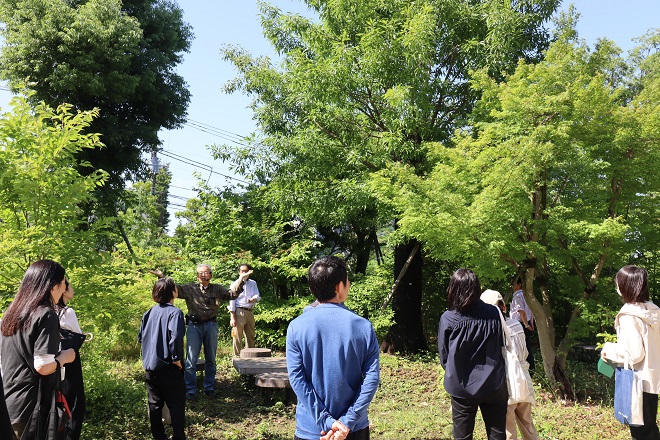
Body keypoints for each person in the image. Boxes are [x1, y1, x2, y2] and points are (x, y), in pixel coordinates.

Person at [286, 256, 380, 440]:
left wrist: (326, 420)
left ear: (312, 289)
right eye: (347, 281)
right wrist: (347, 422)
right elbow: (371, 378)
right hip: (353, 429)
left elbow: (297, 379)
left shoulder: (296, 327)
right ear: (339, 287)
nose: (350, 283)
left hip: (312, 429)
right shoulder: (362, 326)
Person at [1, 259, 76, 439]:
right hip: (32, 408)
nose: (64, 288)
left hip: (9, 402)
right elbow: (43, 366)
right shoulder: (46, 314)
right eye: (63, 283)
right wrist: (65, 357)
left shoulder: (10, 314)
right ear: (54, 286)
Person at [152, 264, 247, 400]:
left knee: (211, 359)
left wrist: (241, 279)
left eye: (206, 272)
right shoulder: (190, 288)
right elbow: (173, 289)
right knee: (191, 360)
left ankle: (209, 387)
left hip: (211, 325)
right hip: (194, 326)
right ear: (197, 276)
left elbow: (232, 295)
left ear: (211, 275)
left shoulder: (217, 288)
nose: (203, 275)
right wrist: (162, 277)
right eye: (201, 273)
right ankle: (190, 389)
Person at [439, 268, 507, 440]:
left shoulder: (448, 318)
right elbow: (501, 344)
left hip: (461, 387)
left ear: (453, 288)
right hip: (494, 384)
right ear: (477, 288)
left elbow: (444, 356)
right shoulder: (493, 313)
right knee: (497, 435)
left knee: (462, 436)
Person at [601, 265, 660, 439]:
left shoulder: (628, 316)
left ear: (627, 286)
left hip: (637, 382)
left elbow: (634, 354)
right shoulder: (652, 311)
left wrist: (609, 349)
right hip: (652, 380)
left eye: (618, 283)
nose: (617, 287)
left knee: (642, 433)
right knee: (650, 429)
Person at [481, 289, 538, 440]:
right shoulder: (517, 325)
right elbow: (525, 354)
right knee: (528, 425)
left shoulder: (488, 329)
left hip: (504, 385)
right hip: (523, 380)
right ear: (504, 307)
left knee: (508, 429)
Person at [138, 277, 186, 440]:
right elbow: (176, 338)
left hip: (150, 367)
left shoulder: (148, 313)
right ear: (173, 292)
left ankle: (159, 436)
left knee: (155, 405)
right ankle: (179, 436)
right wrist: (177, 360)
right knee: (176, 404)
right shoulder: (175, 313)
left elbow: (141, 337)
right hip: (169, 366)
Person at [57, 279, 87, 440]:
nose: (73, 289)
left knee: (58, 404)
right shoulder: (67, 312)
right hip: (70, 361)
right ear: (62, 290)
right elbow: (77, 336)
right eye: (70, 286)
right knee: (75, 405)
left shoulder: (47, 311)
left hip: (52, 364)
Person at [228, 263, 260, 357]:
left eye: (246, 271)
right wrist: (232, 317)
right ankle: (237, 356)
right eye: (242, 271)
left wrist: (254, 298)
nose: (244, 273)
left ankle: (250, 356)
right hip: (238, 311)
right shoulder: (234, 284)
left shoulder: (253, 283)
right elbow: (232, 300)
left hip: (250, 311)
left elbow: (258, 296)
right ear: (239, 272)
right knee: (237, 336)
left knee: (250, 335)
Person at [509, 278, 535, 372]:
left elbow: (522, 312)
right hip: (527, 323)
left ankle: (526, 370)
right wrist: (531, 323)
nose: (512, 286)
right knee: (527, 346)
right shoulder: (527, 296)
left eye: (514, 283)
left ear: (519, 285)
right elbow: (532, 311)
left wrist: (526, 325)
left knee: (520, 348)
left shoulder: (517, 296)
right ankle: (531, 369)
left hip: (520, 324)